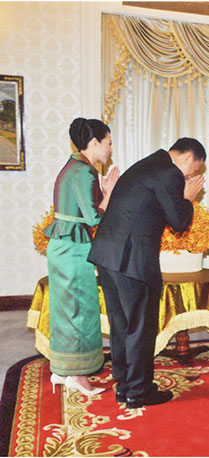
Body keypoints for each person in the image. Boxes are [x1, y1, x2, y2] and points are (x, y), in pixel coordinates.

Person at [88, 138, 206, 408]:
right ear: (188, 158)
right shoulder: (170, 172)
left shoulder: (147, 164)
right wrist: (188, 199)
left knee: (121, 325)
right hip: (132, 260)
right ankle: (139, 392)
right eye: (195, 169)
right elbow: (179, 221)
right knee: (140, 328)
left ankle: (125, 385)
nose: (192, 176)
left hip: (107, 255)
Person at [45, 117, 120, 396]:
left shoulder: (74, 166)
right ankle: (77, 375)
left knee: (67, 309)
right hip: (73, 248)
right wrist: (109, 193)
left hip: (64, 246)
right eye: (108, 143)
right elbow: (93, 217)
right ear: (94, 143)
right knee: (79, 309)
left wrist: (103, 191)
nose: (110, 149)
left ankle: (63, 371)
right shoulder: (84, 171)